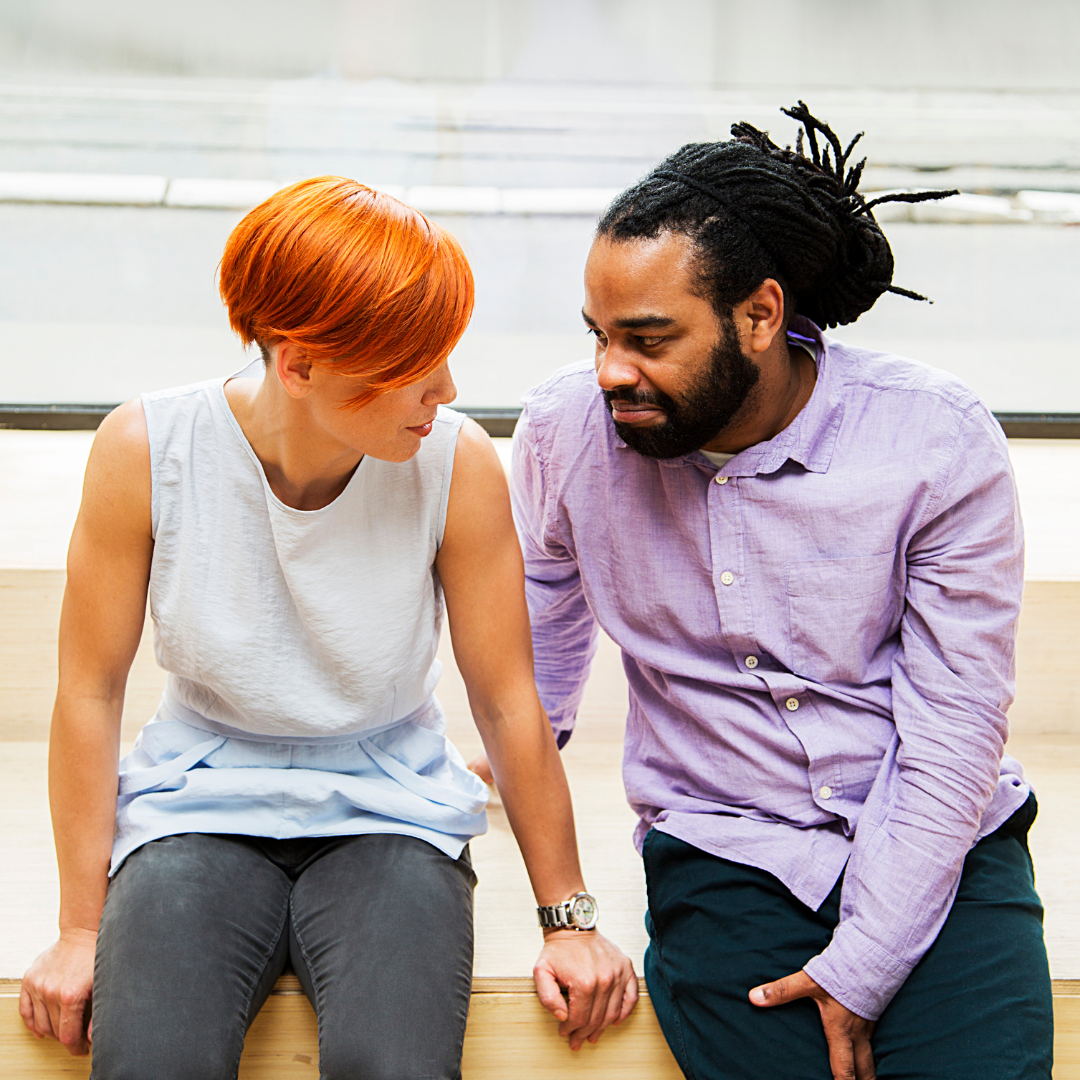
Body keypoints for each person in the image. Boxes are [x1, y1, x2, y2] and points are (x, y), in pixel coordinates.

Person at [19, 176, 637, 1079]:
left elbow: (507, 701)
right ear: (299, 365)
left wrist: (567, 918)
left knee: (395, 1068)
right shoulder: (146, 448)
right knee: (153, 1064)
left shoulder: (455, 461)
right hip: (196, 801)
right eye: (412, 365)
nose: (447, 388)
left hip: (389, 806)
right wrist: (78, 929)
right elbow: (89, 691)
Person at [499, 104, 1054, 1080]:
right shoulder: (563, 436)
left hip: (937, 833)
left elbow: (953, 733)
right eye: (597, 335)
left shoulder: (936, 441)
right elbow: (528, 679)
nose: (609, 373)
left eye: (648, 339)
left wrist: (867, 962)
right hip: (725, 846)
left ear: (760, 315)